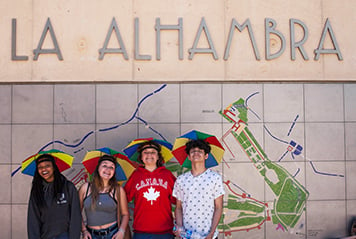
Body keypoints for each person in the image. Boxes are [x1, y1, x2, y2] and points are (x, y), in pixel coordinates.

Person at [173, 139, 225, 239]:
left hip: (209, 235)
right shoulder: (181, 180)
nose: (196, 153)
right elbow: (178, 207)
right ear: (188, 157)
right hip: (187, 235)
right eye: (192, 151)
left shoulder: (215, 178)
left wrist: (211, 233)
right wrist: (180, 229)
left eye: (200, 151)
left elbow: (218, 207)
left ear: (206, 156)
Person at [124, 140, 176, 239]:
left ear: (158, 156)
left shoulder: (167, 175)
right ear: (141, 157)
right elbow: (124, 198)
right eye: (146, 152)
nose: (149, 155)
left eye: (153, 152)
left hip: (165, 231)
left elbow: (178, 200)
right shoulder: (136, 175)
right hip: (141, 232)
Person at [27, 153, 82, 239]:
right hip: (45, 236)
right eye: (40, 167)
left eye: (47, 165)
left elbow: (75, 216)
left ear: (54, 167)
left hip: (65, 236)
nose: (44, 169)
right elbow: (33, 219)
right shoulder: (37, 191)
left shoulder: (68, 187)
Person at [79, 154, 130, 239]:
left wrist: (121, 231)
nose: (108, 169)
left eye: (112, 167)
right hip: (91, 235)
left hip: (113, 233)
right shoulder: (85, 188)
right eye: (104, 165)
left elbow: (125, 214)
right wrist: (84, 230)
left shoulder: (118, 190)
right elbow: (76, 212)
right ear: (98, 168)